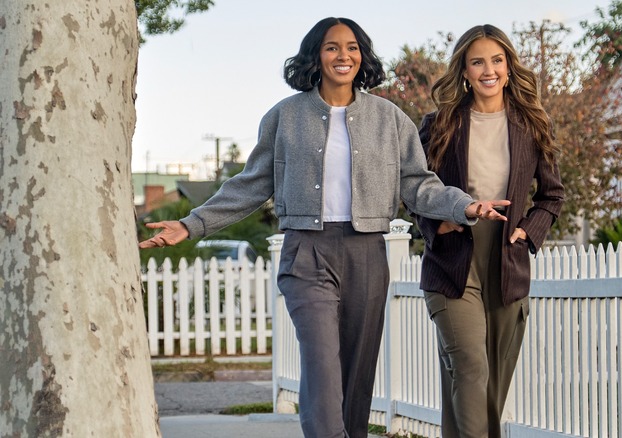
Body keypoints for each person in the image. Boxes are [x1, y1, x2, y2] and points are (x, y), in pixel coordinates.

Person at [138, 17, 510, 438]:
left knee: (356, 373)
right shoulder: (285, 116)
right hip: (306, 253)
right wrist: (191, 225)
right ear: (316, 54)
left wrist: (465, 206)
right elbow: (252, 183)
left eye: (352, 48)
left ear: (362, 56)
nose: (343, 56)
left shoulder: (388, 118)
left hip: (367, 254)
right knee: (321, 363)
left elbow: (418, 184)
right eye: (332, 47)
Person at [414, 25, 565, 438]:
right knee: (470, 367)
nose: (488, 70)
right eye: (478, 61)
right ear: (464, 69)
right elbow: (414, 191)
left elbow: (552, 196)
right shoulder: (440, 124)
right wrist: (437, 224)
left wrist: (526, 234)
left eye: (497, 60)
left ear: (509, 66)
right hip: (452, 259)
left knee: (488, 387)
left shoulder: (533, 124)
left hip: (506, 260)